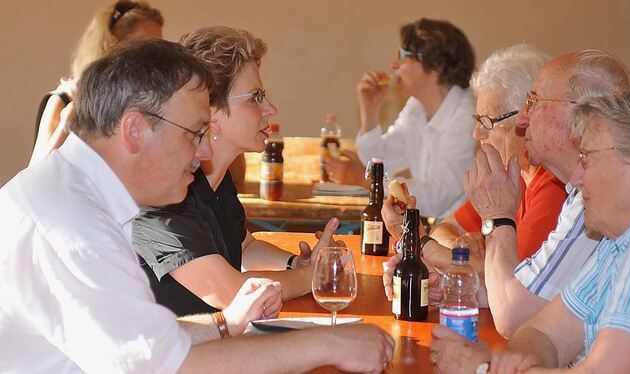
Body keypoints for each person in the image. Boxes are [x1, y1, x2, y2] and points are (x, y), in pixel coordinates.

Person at [0, 39, 394, 373]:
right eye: (195, 133)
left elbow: (145, 337)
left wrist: (224, 325)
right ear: (134, 130)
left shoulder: (80, 193)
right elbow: (166, 366)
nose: (204, 150)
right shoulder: (74, 224)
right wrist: (326, 344)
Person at [382, 49, 630, 338]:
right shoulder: (573, 191)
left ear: (579, 114)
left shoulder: (580, 196)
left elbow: (514, 308)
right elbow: (517, 291)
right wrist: (454, 284)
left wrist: (496, 219)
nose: (524, 118)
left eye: (534, 102)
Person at [431, 86, 630, 373]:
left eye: (587, 158)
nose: (577, 178)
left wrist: (485, 368)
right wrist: (516, 366)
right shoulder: (617, 239)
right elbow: (542, 334)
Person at [132, 26, 337, 316]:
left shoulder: (216, 176)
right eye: (255, 97)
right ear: (211, 111)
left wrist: (295, 264)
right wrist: (311, 278)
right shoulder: (163, 191)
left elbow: (243, 245)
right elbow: (229, 293)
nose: (270, 108)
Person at [383, 44, 566, 274]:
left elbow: (511, 280)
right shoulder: (511, 174)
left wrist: (418, 242)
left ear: (526, 118)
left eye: (487, 122)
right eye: (477, 121)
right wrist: (461, 249)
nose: (477, 134)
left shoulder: (555, 186)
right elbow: (444, 228)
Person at [324, 17, 476, 219]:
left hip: (461, 237)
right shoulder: (416, 107)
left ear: (436, 66)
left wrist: (367, 180)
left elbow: (436, 199)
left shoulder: (469, 116)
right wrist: (369, 110)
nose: (394, 64)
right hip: (433, 229)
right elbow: (378, 162)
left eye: (403, 55)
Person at [31, 0, 163, 164]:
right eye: (144, 47)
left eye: (158, 49)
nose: (153, 59)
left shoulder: (143, 105)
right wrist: (67, 124)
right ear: (113, 43)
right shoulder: (66, 99)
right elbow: (35, 173)